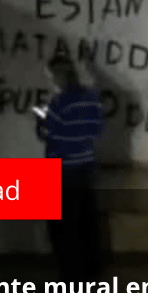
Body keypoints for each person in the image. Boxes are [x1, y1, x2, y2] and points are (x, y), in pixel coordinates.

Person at [36, 55, 104, 280]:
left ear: (58, 76)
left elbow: (46, 134)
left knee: (63, 227)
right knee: (86, 221)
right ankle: (92, 271)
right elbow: (96, 129)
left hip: (62, 169)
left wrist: (41, 117)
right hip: (85, 165)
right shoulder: (92, 98)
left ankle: (72, 275)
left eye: (51, 76)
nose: (51, 81)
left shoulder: (58, 103)